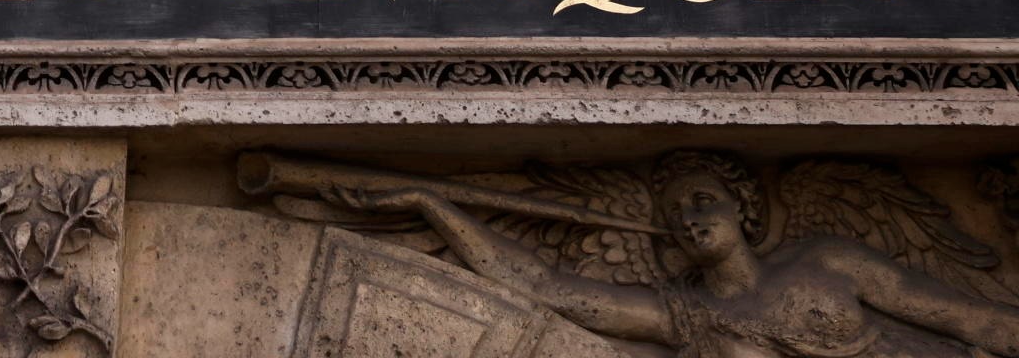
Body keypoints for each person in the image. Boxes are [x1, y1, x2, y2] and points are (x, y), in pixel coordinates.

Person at [343, 151, 1019, 358]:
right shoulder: (687, 319)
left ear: (744, 208)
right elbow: (549, 287)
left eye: (702, 201)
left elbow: (971, 319)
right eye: (674, 215)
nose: (689, 220)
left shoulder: (829, 261)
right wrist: (435, 206)